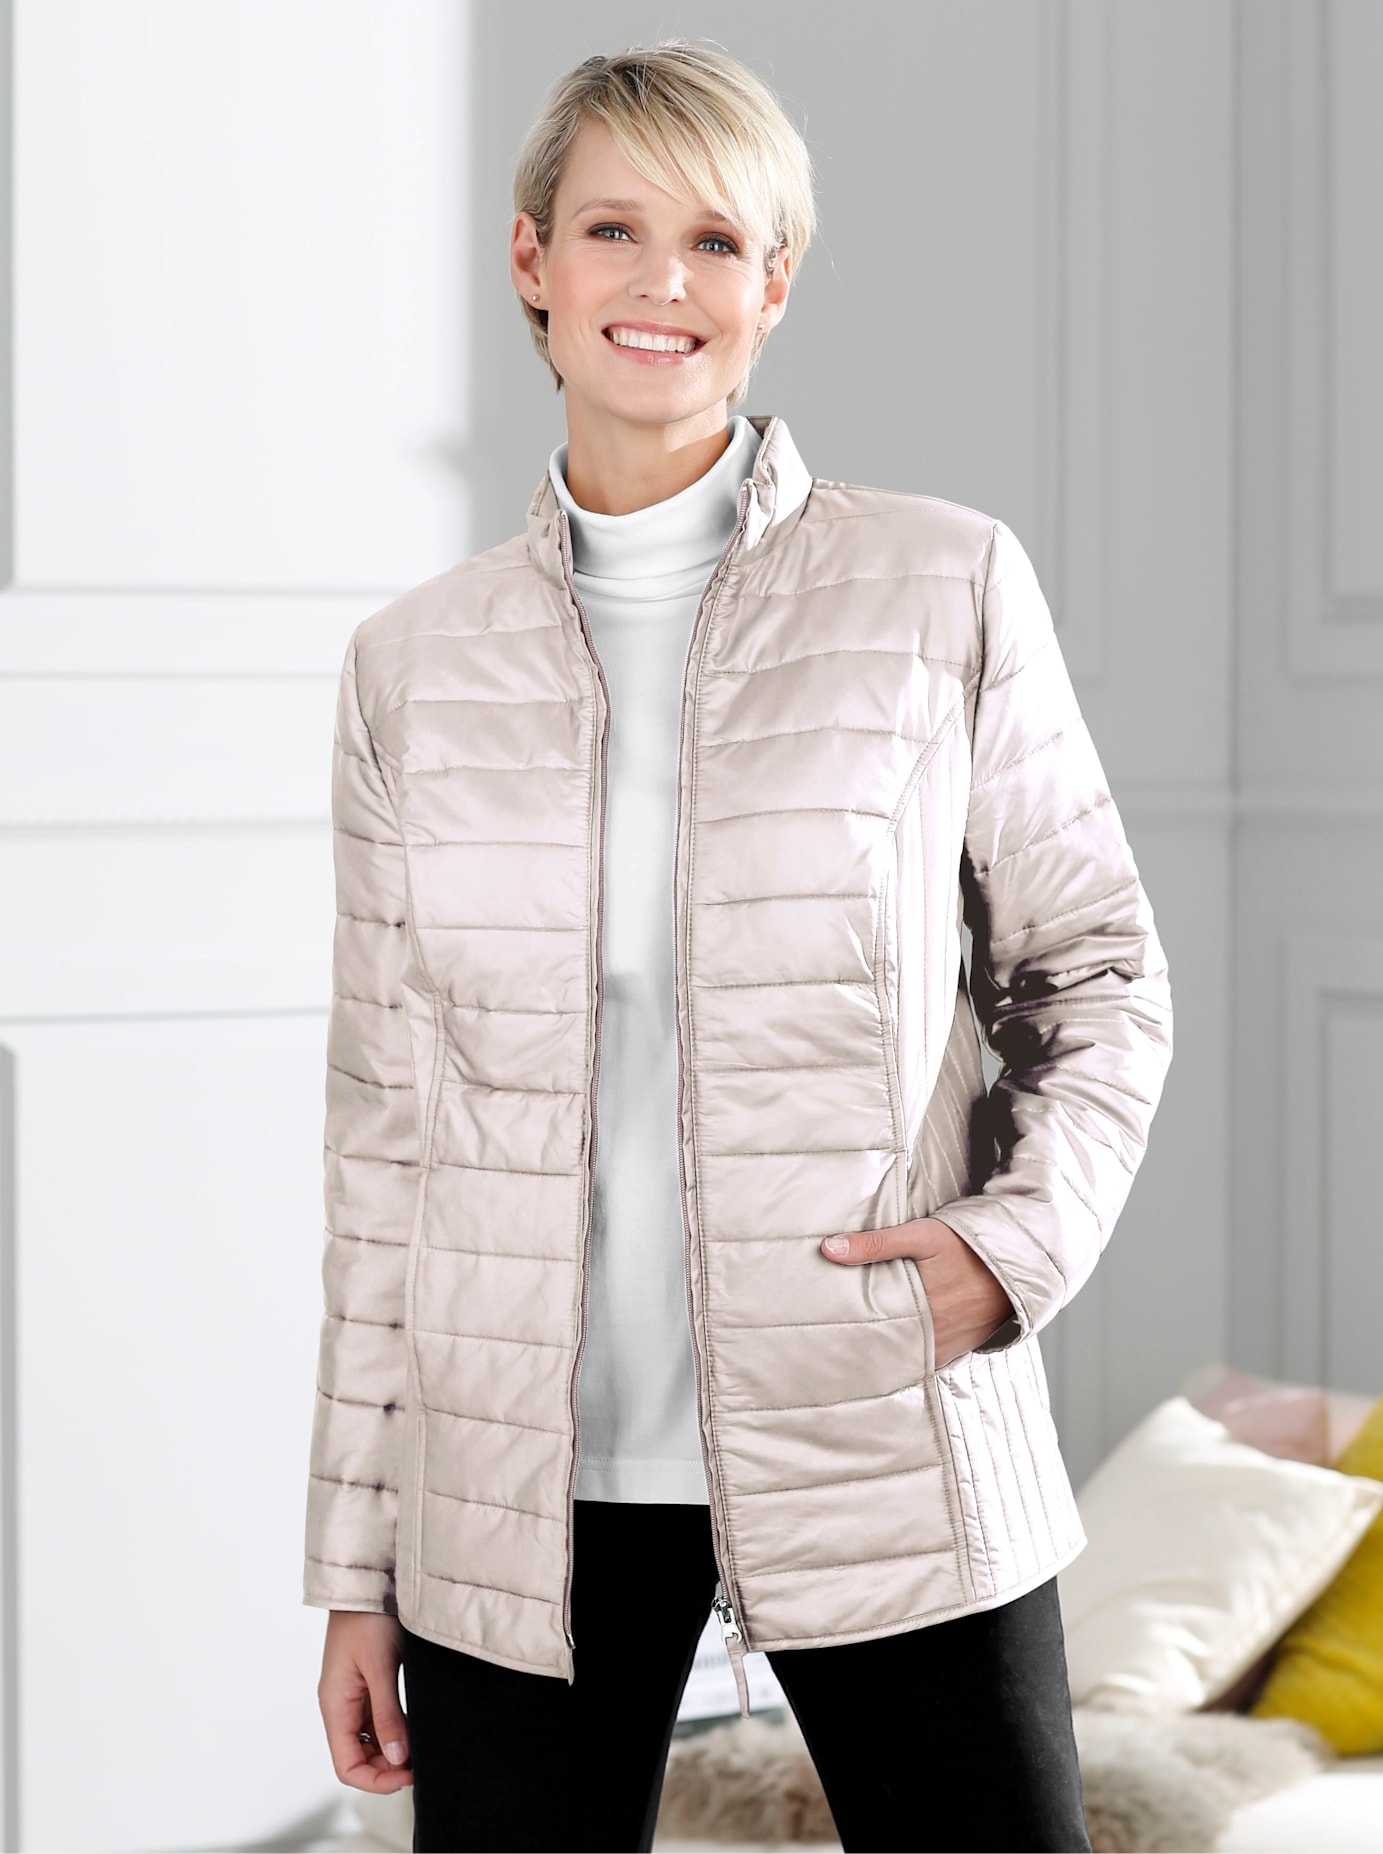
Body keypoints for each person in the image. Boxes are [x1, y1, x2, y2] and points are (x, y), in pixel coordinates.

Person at [305, 39, 1173, 1854]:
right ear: (533, 258)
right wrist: (357, 1566)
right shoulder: (412, 666)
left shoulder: (941, 585)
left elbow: (1094, 973)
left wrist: (1007, 1254)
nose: (664, 281)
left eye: (717, 240)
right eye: (613, 229)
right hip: (510, 1505)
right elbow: (388, 1138)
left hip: (885, 1430)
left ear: (774, 285)